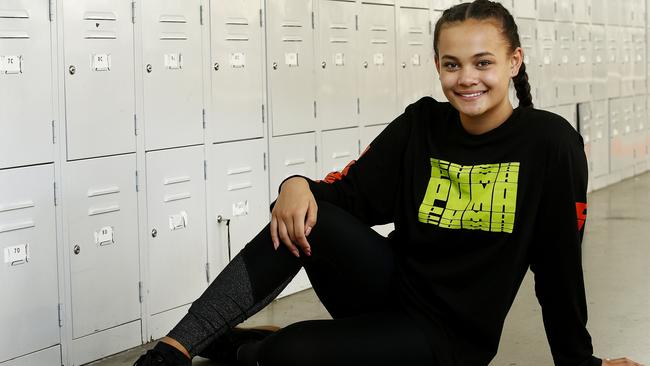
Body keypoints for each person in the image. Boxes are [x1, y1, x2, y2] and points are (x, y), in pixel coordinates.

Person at [134, 1, 644, 365]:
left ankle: (247, 346)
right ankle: (174, 350)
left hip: (449, 338)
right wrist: (294, 183)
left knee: (290, 353)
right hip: (390, 287)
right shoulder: (422, 122)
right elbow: (349, 196)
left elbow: (558, 267)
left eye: (483, 62)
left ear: (514, 61)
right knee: (309, 214)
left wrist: (579, 362)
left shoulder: (550, 144)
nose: (467, 78)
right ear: (438, 67)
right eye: (452, 64)